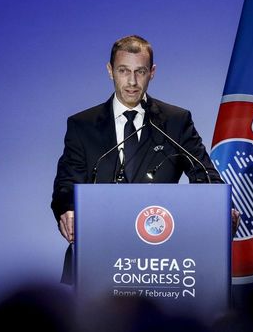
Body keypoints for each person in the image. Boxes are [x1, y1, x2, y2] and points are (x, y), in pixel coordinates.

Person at [51, 35, 237, 284]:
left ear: (152, 72)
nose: (132, 82)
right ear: (110, 71)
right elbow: (66, 184)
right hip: (97, 257)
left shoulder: (174, 121)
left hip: (161, 263)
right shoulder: (82, 125)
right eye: (123, 71)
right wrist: (68, 210)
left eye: (140, 72)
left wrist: (220, 208)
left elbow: (206, 177)